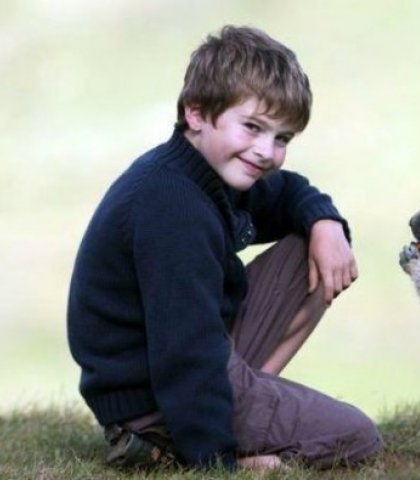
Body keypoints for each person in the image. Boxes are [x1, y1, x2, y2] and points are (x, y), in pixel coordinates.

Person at [67, 25, 383, 472]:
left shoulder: (213, 171)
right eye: (252, 127)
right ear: (196, 113)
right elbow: (185, 353)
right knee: (356, 436)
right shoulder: (172, 207)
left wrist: (325, 221)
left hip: (197, 359)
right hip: (152, 400)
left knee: (304, 248)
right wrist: (216, 463)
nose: (265, 152)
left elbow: (287, 194)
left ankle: (244, 406)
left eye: (282, 138)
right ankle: (190, 442)